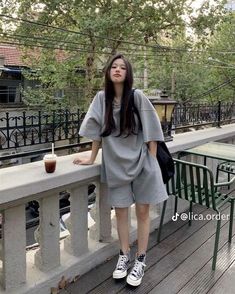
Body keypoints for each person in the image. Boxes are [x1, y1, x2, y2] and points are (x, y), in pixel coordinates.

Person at [73, 53, 168, 287]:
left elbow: (153, 133)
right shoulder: (100, 99)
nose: (117, 70)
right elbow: (96, 131)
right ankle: (123, 255)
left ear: (128, 74)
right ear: (107, 72)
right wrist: (92, 157)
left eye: (122, 68)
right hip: (115, 165)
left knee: (143, 213)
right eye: (113, 66)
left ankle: (141, 259)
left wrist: (151, 163)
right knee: (122, 213)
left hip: (142, 163)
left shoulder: (137, 97)